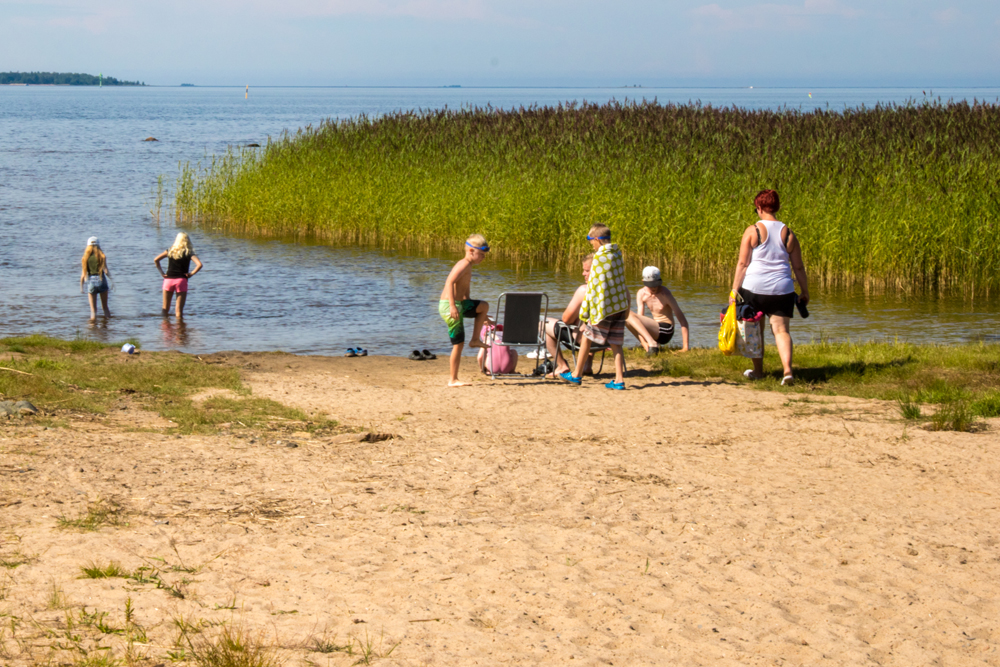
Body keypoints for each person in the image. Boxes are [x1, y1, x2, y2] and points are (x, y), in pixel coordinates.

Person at [730, 189, 809, 385]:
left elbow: (743, 264)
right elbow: (798, 266)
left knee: (755, 331)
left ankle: (758, 372)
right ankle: (788, 371)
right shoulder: (788, 234)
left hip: (754, 288)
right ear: (777, 207)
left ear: (759, 207)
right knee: (781, 331)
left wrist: (734, 290)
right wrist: (805, 291)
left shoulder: (752, 231)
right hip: (782, 289)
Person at [560, 224, 629, 390]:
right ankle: (619, 380)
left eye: (592, 242)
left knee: (586, 337)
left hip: (603, 308)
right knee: (616, 343)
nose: (592, 245)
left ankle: (576, 374)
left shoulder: (599, 258)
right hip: (618, 305)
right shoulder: (617, 254)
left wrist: (585, 313)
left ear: (597, 239)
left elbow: (594, 286)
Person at [439, 234, 491, 387]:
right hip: (449, 306)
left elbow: (465, 294)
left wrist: (482, 315)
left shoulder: (469, 266)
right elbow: (449, 282)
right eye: (481, 254)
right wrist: (452, 306)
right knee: (458, 344)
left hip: (460, 304)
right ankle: (453, 379)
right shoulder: (463, 264)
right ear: (471, 251)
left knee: (483, 306)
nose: (483, 258)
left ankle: (475, 340)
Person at [542, 254, 595, 376]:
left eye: (587, 271)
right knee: (586, 322)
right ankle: (587, 365)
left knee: (542, 324)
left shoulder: (584, 290)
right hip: (606, 340)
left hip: (584, 339)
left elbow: (566, 319)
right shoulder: (614, 291)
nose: (583, 273)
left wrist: (575, 318)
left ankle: (562, 366)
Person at [626, 266, 690, 355]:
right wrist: (643, 342)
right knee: (625, 316)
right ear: (643, 282)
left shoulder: (665, 294)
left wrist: (685, 347)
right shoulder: (641, 293)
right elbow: (638, 320)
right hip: (654, 330)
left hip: (666, 330)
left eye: (656, 284)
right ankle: (648, 344)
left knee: (628, 314)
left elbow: (682, 320)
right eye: (650, 285)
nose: (654, 287)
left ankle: (652, 344)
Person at [154, 232, 203, 318]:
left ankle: (165, 324)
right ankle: (180, 326)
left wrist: (162, 273)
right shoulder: (189, 252)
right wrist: (191, 274)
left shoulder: (170, 251)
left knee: (165, 308)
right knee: (179, 310)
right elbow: (199, 264)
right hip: (181, 281)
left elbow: (156, 260)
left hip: (168, 280)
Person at [79, 237, 112, 321]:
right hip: (102, 280)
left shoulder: (85, 258)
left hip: (91, 281)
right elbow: (106, 271)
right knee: (105, 307)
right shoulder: (102, 256)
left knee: (93, 311)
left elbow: (83, 275)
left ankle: (92, 326)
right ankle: (108, 325)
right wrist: (112, 281)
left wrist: (81, 287)